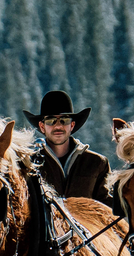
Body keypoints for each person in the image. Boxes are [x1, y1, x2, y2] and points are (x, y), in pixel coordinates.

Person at [21, 89, 116, 218]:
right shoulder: (28, 163)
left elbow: (108, 211)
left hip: (89, 235)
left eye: (64, 120)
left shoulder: (96, 163)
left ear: (72, 125)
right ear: (42, 126)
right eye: (51, 120)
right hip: (42, 237)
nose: (58, 126)